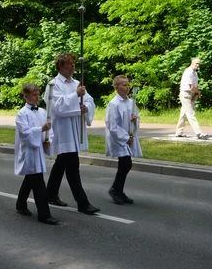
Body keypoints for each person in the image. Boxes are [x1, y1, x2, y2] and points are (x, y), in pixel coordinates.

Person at [43, 53, 100, 215]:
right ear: (61, 66)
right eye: (69, 64)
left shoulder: (76, 83)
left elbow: (89, 100)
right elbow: (57, 106)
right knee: (72, 165)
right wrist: (76, 96)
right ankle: (82, 202)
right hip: (63, 130)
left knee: (62, 162)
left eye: (74, 64)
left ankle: (50, 194)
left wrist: (86, 107)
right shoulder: (53, 84)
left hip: (75, 128)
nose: (73, 67)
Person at [14, 84, 59, 225]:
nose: (37, 97)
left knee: (31, 178)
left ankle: (20, 204)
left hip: (38, 148)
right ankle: (44, 214)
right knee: (38, 182)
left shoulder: (42, 112)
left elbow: (49, 130)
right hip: (29, 151)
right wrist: (41, 129)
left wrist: (47, 140)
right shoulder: (22, 113)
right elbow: (25, 134)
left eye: (38, 94)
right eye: (34, 94)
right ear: (26, 96)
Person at [105, 75, 142, 205]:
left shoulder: (131, 102)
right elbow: (112, 125)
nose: (127, 87)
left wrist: (135, 120)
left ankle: (118, 190)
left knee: (125, 164)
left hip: (129, 137)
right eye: (124, 85)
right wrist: (126, 138)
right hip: (119, 139)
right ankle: (115, 190)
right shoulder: (113, 104)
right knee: (126, 163)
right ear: (117, 87)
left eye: (128, 85)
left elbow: (137, 118)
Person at [175, 58, 208, 140]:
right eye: (196, 63)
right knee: (191, 114)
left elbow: (195, 86)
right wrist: (199, 92)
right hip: (185, 94)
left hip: (191, 94)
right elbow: (191, 87)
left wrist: (196, 94)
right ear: (192, 63)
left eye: (199, 64)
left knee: (184, 114)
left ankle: (179, 132)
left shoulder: (195, 74)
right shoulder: (188, 72)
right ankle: (199, 133)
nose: (198, 65)